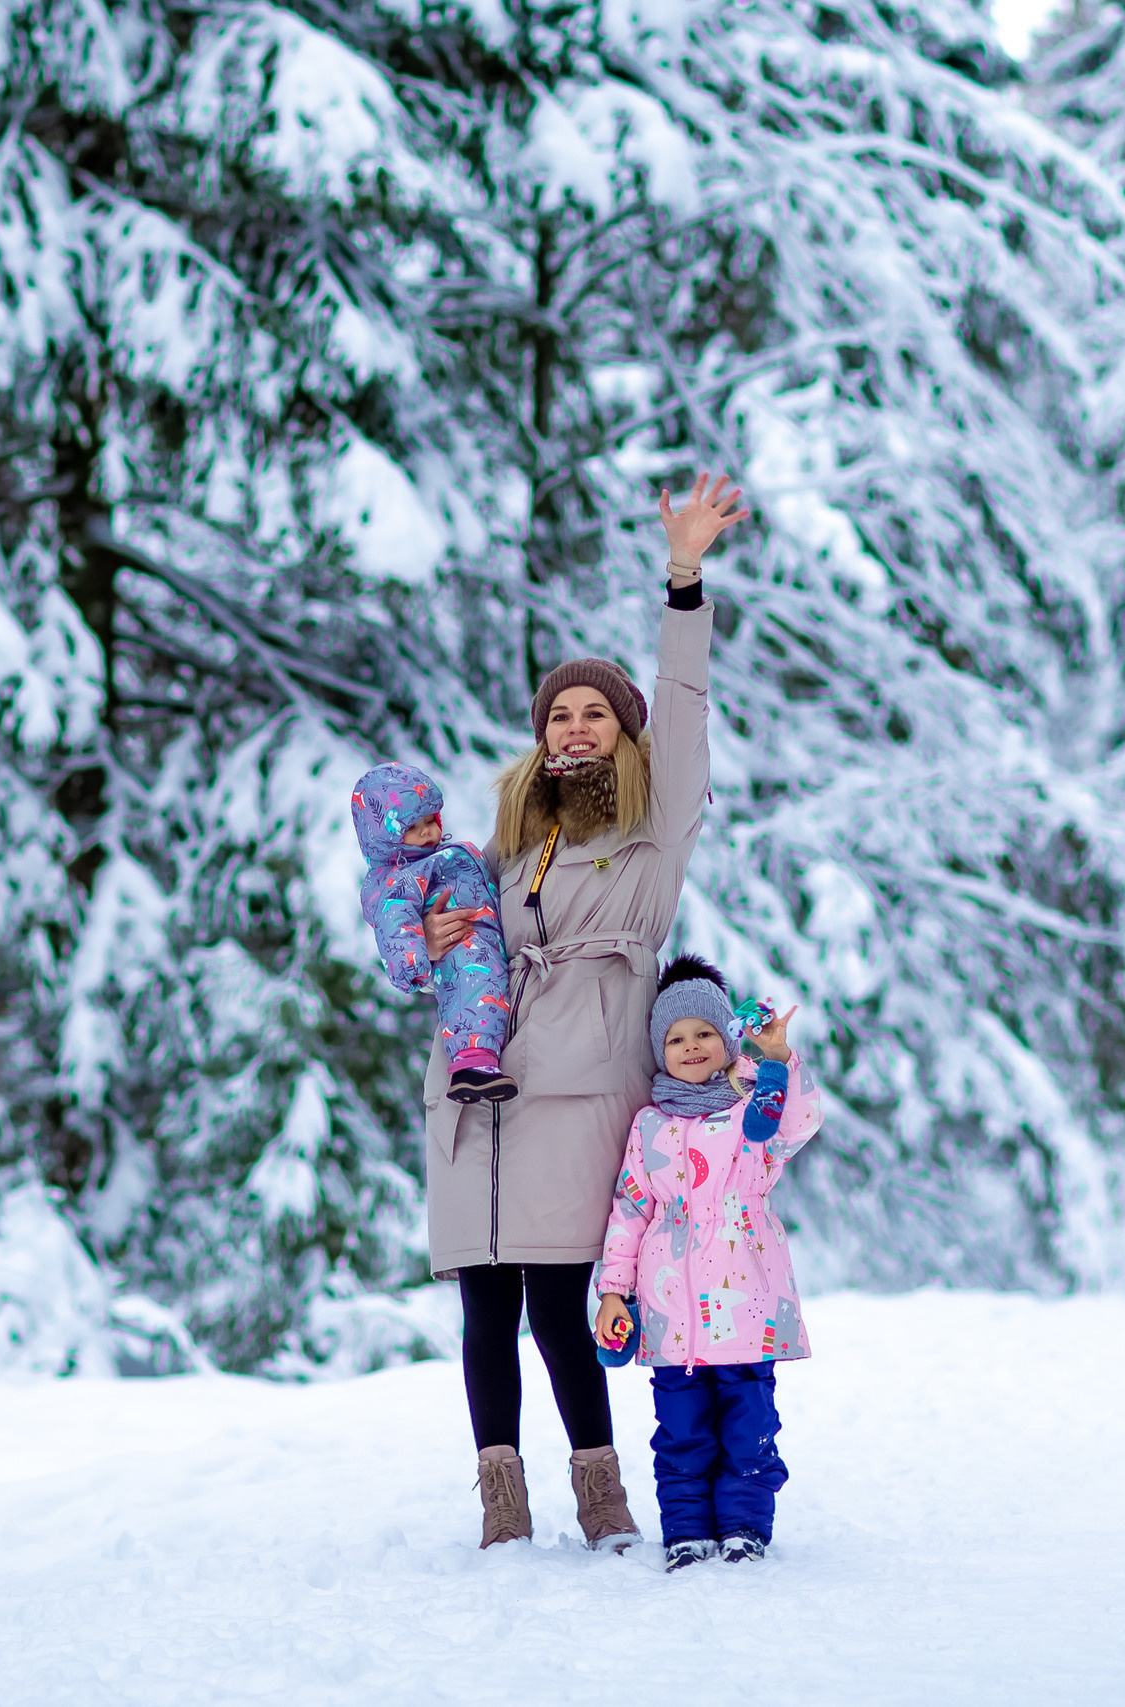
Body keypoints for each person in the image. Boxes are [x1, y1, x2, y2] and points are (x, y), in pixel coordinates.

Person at [419, 472, 750, 1550]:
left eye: (592, 712)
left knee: (561, 1306)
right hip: (479, 1095)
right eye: (558, 712)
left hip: (575, 1086)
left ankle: (601, 1504)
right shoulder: (511, 842)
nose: (572, 727)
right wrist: (440, 946)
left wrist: (683, 578)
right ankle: (500, 1514)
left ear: (623, 733)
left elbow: (688, 712)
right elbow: (459, 948)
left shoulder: (652, 832)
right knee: (483, 1312)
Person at [594, 957, 817, 1572]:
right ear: (659, 1050)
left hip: (746, 1308)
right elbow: (630, 1211)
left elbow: (797, 1124)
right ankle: (686, 1530)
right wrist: (614, 1291)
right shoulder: (650, 1125)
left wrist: (778, 1060)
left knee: (749, 1427)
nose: (691, 1047)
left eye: (704, 1034)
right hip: (672, 1315)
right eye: (675, 1037)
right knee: (682, 1431)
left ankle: (745, 1525)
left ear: (725, 1040)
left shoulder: (753, 1106)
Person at [350, 763, 516, 1104]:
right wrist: (415, 958)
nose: (427, 833)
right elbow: (394, 921)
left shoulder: (448, 856)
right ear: (385, 836)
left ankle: (477, 1061)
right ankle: (472, 1062)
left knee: (484, 991)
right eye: (412, 827)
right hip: (462, 949)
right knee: (472, 994)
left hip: (488, 943)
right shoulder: (399, 877)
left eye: (431, 822)